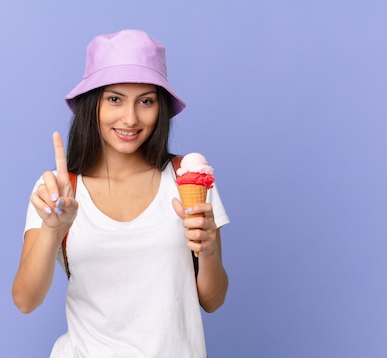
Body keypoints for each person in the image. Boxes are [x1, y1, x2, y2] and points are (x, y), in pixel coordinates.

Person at [12, 29, 230, 357]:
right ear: (92, 104)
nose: (130, 118)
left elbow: (212, 300)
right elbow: (26, 300)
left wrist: (209, 250)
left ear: (160, 108)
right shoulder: (59, 190)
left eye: (146, 101)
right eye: (115, 99)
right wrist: (53, 229)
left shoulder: (188, 179)